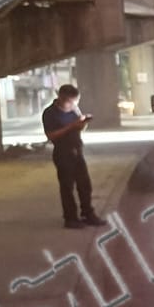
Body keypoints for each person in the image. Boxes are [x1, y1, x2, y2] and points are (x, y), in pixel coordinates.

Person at [42, 84, 105, 229]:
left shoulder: (74, 109)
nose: (73, 105)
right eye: (70, 101)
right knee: (67, 186)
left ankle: (88, 213)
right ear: (61, 98)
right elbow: (51, 135)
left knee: (85, 185)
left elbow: (78, 128)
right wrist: (71, 126)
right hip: (62, 152)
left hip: (77, 150)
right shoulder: (50, 113)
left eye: (75, 102)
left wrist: (82, 124)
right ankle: (70, 218)